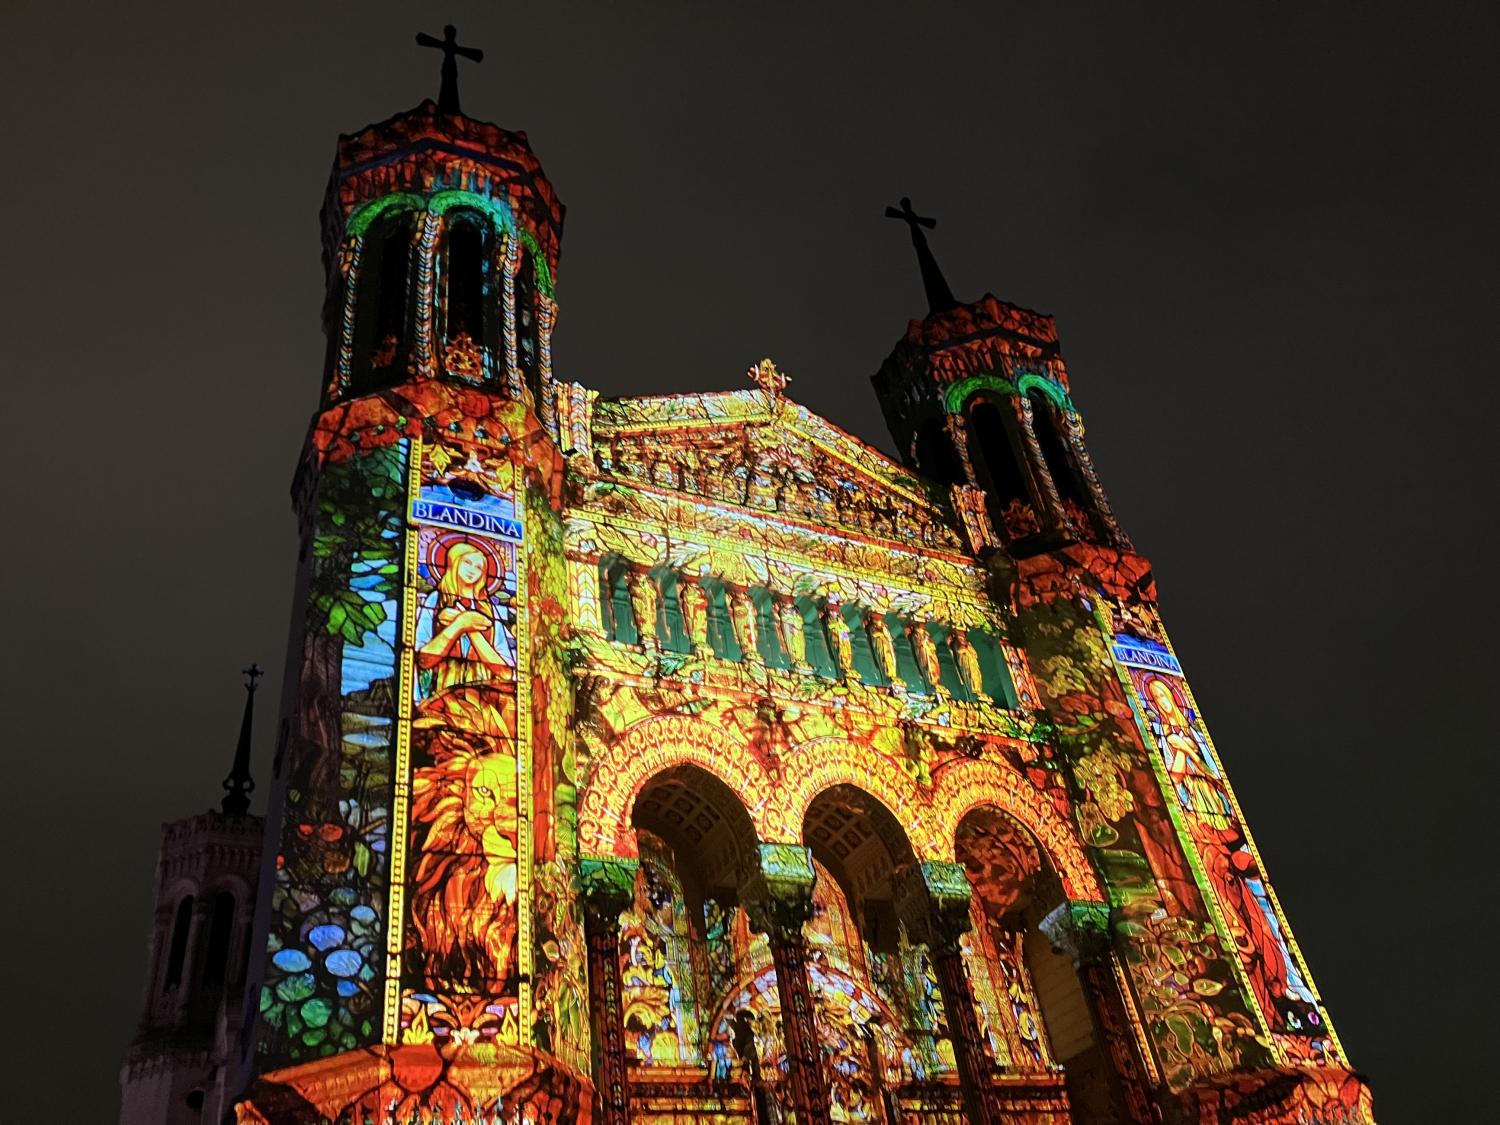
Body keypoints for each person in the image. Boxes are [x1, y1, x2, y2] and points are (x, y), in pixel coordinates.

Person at [415, 539, 515, 698]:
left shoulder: (489, 610)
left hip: (482, 701)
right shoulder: (435, 601)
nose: (472, 570)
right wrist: (459, 624)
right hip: (438, 696)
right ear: (453, 563)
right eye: (467, 562)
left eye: (478, 567)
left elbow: (506, 672)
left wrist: (469, 627)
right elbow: (423, 660)